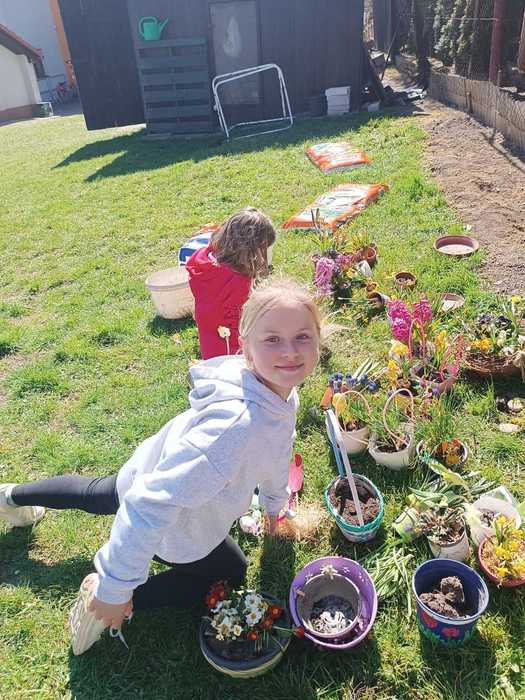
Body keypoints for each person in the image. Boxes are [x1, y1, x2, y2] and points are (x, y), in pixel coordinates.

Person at [0, 277, 321, 656]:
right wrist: (116, 587)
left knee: (97, 492)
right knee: (230, 572)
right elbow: (149, 504)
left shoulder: (274, 390)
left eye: (302, 337)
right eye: (273, 339)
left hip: (149, 467)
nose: (290, 351)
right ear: (246, 346)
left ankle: (9, 496)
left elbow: (277, 452)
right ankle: (110, 601)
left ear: (318, 340)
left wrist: (274, 507)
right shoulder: (236, 429)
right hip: (177, 519)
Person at [186, 207, 276, 359]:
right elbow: (240, 324)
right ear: (251, 250)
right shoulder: (237, 282)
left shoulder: (202, 260)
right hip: (232, 348)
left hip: (209, 336)